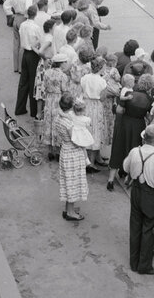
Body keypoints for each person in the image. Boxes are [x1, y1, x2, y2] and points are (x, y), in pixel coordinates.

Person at [122, 125, 154, 275]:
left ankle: (134, 261)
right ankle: (144, 265)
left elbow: (126, 168)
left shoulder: (135, 151)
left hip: (136, 192)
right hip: (151, 196)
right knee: (149, 229)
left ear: (144, 138)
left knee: (135, 226)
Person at [53, 93, 89, 222]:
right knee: (72, 182)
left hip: (65, 150)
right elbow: (76, 140)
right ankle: (70, 212)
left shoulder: (58, 118)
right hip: (73, 153)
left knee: (68, 180)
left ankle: (69, 208)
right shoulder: (68, 123)